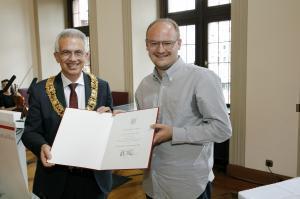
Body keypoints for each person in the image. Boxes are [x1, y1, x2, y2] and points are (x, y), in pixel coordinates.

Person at [135, 18, 232, 199]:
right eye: (154, 43)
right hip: (152, 184)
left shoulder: (203, 78)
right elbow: (144, 128)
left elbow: (222, 130)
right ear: (146, 45)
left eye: (167, 43)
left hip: (188, 186)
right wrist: (118, 121)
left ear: (179, 43)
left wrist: (174, 133)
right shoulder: (143, 86)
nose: (161, 49)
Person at [22, 29, 113, 199]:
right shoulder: (40, 90)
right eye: (66, 53)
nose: (72, 59)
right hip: (55, 179)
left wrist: (113, 120)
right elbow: (30, 132)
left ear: (86, 55)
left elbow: (109, 130)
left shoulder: (102, 87)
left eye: (78, 52)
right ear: (56, 56)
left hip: (95, 180)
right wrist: (41, 145)